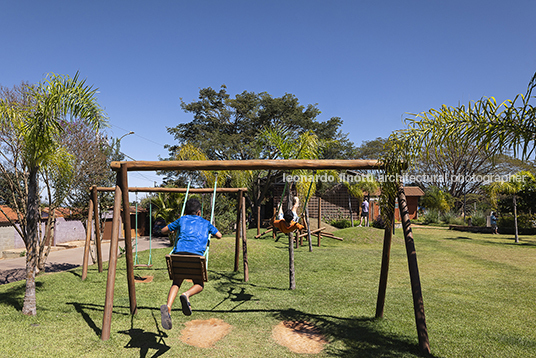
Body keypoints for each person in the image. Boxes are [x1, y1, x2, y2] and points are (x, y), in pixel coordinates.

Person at [159, 198, 222, 330]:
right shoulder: (206, 223)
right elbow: (219, 235)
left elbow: (163, 230)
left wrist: (171, 230)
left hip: (177, 257)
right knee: (199, 284)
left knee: (176, 282)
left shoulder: (181, 220)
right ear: (199, 212)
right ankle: (186, 295)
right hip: (196, 258)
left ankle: (168, 307)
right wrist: (211, 234)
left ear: (186, 211)